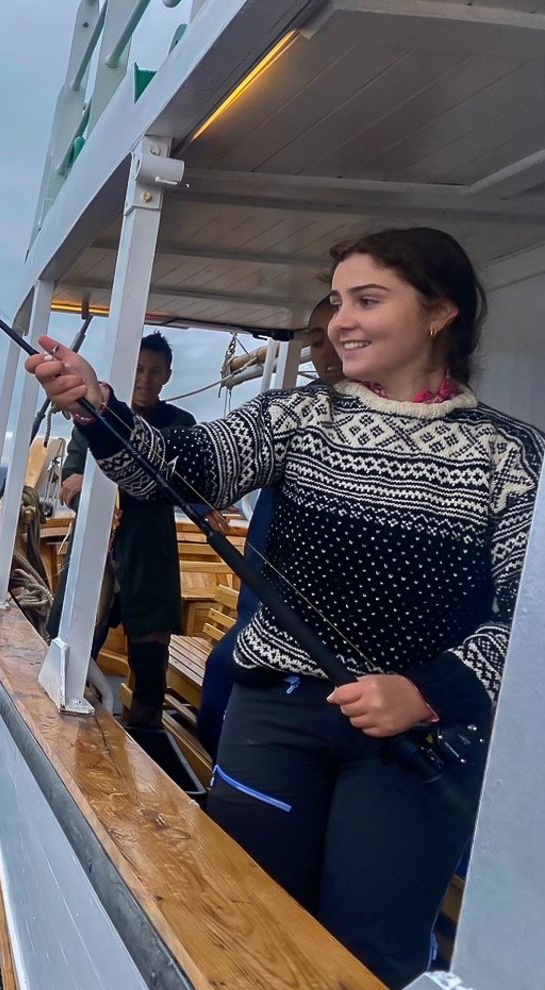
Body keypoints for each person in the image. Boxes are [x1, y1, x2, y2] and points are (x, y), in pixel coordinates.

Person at [23, 227, 543, 987]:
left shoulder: (513, 455)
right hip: (280, 719)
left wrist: (427, 694)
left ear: (440, 313)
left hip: (418, 744)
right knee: (240, 926)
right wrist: (96, 406)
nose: (342, 321)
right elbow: (176, 469)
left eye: (369, 300)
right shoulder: (299, 416)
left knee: (373, 958)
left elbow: (524, 618)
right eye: (337, 303)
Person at [196, 298, 345, 757]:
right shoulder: (290, 417)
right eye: (316, 340)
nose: (327, 350)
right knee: (222, 682)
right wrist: (98, 411)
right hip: (258, 622)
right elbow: (199, 458)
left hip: (324, 659)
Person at [47, 332, 196, 729]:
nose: (145, 379)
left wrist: (108, 485)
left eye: (155, 371)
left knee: (150, 672)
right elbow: (69, 483)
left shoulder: (181, 425)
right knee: (74, 651)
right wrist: (82, 492)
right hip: (95, 559)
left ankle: (145, 744)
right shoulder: (89, 418)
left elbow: (177, 485)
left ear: (167, 376)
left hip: (150, 561)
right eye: (138, 369)